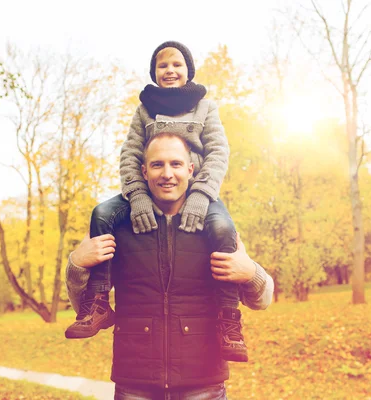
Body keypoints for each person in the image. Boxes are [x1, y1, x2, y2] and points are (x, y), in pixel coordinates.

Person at [65, 40, 246, 361]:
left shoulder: (205, 106)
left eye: (177, 64)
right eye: (163, 65)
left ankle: (228, 319)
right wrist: (136, 196)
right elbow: (130, 153)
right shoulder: (145, 108)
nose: (170, 70)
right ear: (154, 72)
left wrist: (202, 195)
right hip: (148, 192)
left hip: (198, 190)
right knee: (102, 213)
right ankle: (98, 304)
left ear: (188, 70)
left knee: (224, 227)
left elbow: (218, 152)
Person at [65, 133, 274, 399]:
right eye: (157, 164)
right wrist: (77, 264)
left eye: (175, 164)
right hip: (134, 384)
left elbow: (263, 300)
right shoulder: (119, 226)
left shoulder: (215, 226)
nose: (167, 174)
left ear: (190, 169)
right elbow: (83, 307)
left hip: (204, 384)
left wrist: (251, 273)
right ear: (143, 171)